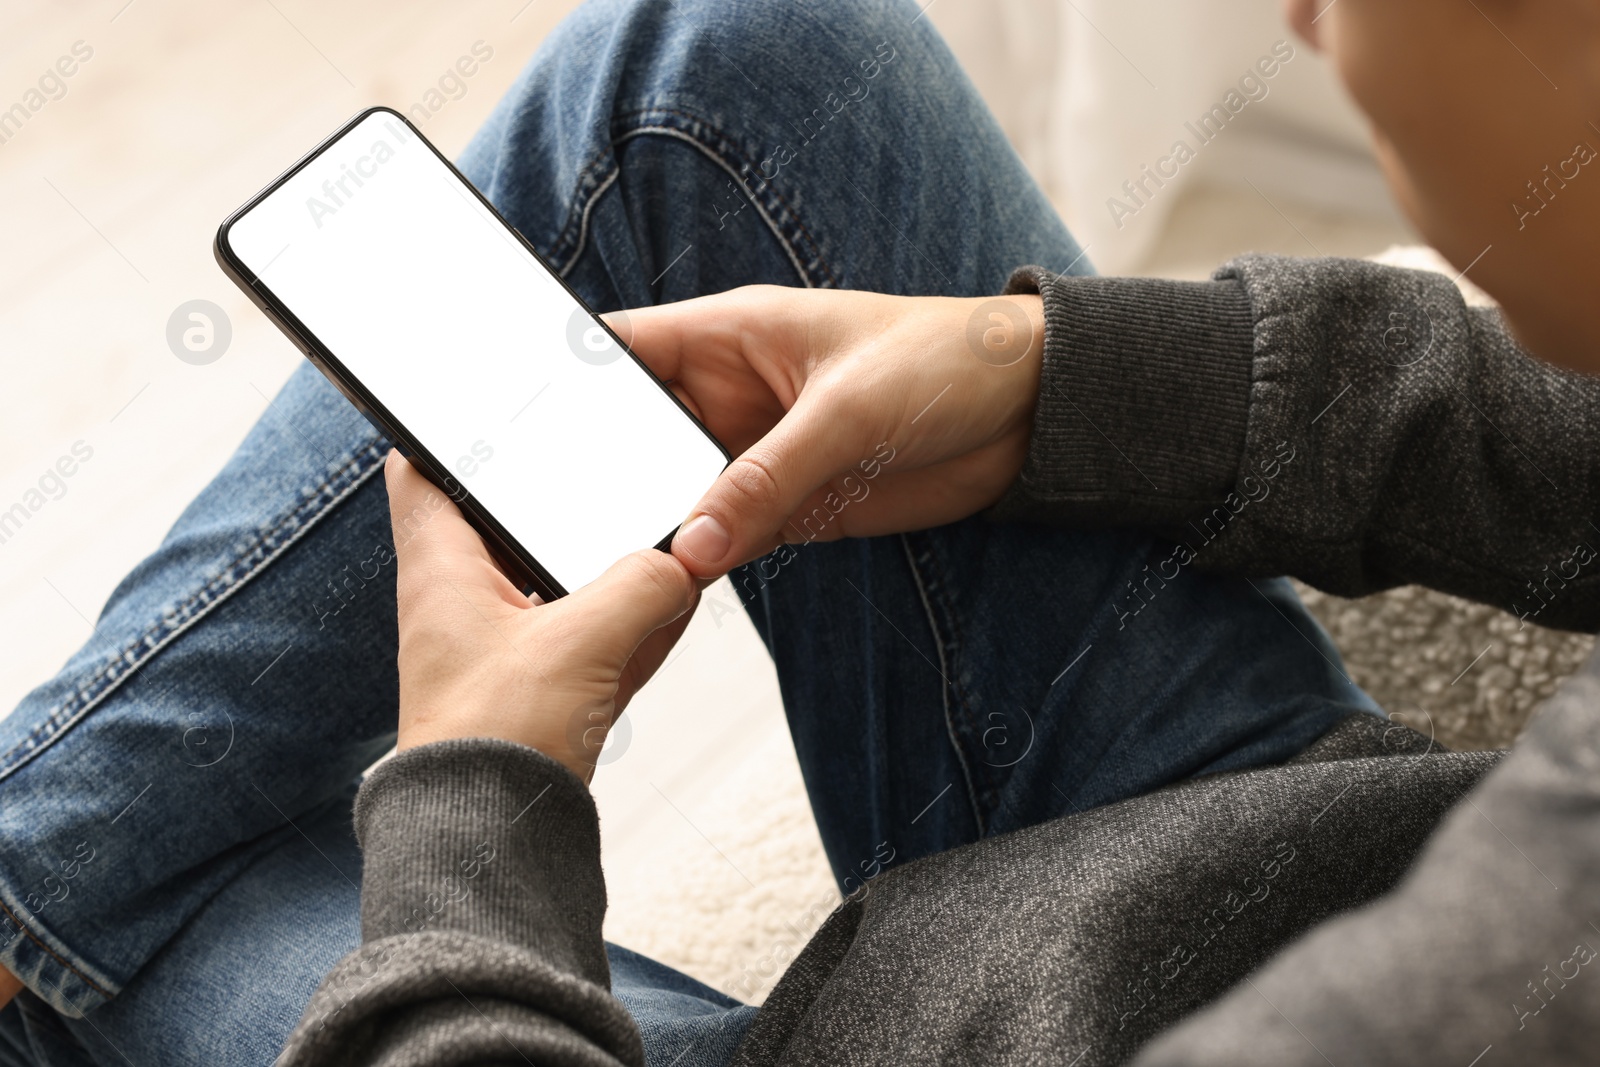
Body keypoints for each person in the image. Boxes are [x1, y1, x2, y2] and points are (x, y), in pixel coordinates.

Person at [2, 0, 1598, 1063]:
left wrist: (476, 812)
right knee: (719, 60)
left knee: (106, 919)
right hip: (1288, 850)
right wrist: (1060, 376)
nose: (1303, 17)